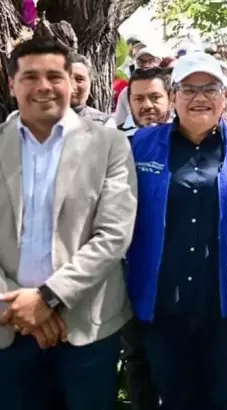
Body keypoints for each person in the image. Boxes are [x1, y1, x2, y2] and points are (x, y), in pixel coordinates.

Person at [124, 52, 227, 410]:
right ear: (173, 96)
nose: (200, 97)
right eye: (189, 89)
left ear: (225, 97)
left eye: (210, 88)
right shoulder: (139, 145)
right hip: (162, 306)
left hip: (226, 305)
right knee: (176, 399)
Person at [0, 38, 137, 410]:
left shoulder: (109, 144)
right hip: (8, 328)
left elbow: (114, 235)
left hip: (86, 329)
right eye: (30, 76)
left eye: (53, 76)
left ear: (71, 82)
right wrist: (15, 306)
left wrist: (47, 297)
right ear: (11, 84)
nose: (43, 86)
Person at [119, 67, 174, 137]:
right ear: (129, 102)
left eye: (155, 97)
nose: (147, 105)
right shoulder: (116, 140)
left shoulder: (185, 136)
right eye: (139, 99)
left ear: (171, 99)